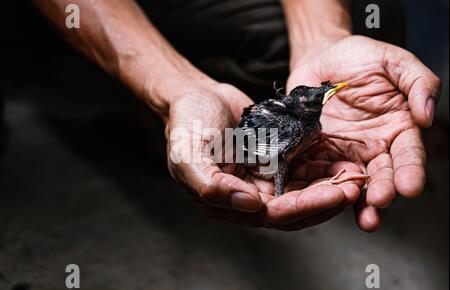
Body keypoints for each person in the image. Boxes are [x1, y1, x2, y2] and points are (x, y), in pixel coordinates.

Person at [33, 0, 441, 232]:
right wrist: (173, 88)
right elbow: (277, 155)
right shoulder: (287, 125)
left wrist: (323, 38)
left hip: (267, 134)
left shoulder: (306, 121)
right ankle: (143, 122)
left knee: (379, 16)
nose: (330, 94)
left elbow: (296, 134)